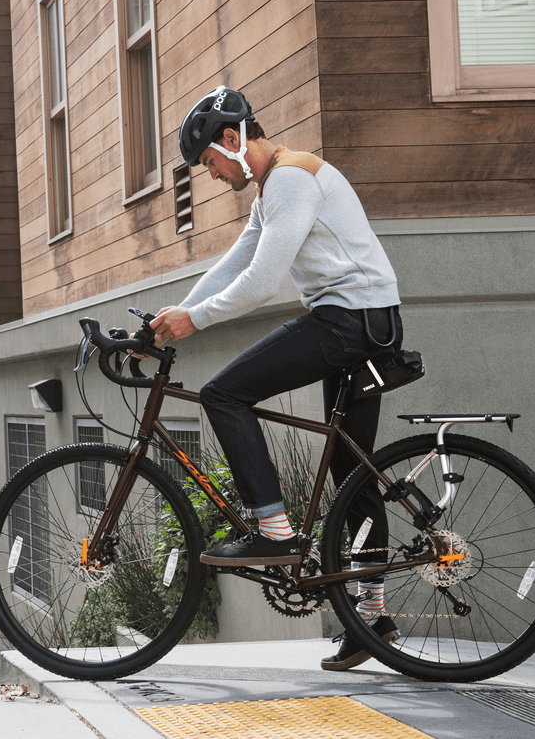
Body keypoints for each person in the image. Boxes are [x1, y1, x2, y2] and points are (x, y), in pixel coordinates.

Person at [150, 86, 402, 671]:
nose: (210, 175)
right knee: (351, 470)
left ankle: (275, 531)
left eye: (209, 162)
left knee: (223, 392)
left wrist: (194, 321)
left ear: (232, 142)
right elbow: (234, 263)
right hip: (364, 322)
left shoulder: (291, 179)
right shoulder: (274, 189)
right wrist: (170, 317)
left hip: (351, 322)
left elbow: (264, 281)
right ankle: (372, 619)